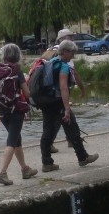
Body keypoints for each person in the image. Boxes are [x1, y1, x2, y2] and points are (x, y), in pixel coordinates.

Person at [39, 40, 98, 171]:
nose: (73, 56)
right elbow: (63, 88)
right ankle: (83, 157)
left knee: (48, 131)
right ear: (65, 51)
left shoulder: (50, 62)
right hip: (58, 102)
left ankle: (47, 163)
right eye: (72, 53)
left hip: (47, 102)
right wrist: (66, 108)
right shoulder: (63, 66)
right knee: (73, 128)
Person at [0, 44, 38, 186]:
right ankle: (2, 173)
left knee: (17, 139)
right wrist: (33, 101)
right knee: (12, 141)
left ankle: (24, 169)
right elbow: (27, 92)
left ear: (4, 55)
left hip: (2, 110)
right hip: (15, 111)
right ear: (17, 55)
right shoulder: (16, 71)